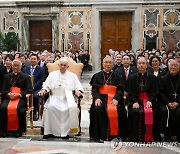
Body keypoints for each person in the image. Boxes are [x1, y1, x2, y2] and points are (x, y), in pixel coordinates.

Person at [38, 58, 83, 139]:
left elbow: (78, 87)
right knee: (50, 107)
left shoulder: (73, 76)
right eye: (61, 65)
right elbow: (46, 86)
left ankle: (68, 132)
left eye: (64, 65)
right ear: (58, 65)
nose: (62, 67)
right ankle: (49, 131)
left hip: (67, 98)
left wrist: (78, 91)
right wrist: (43, 90)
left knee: (72, 108)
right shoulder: (52, 75)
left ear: (67, 67)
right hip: (54, 97)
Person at [89, 56, 127, 142]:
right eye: (106, 62)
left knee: (120, 111)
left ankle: (116, 135)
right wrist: (97, 98)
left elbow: (120, 90)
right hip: (101, 99)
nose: (108, 64)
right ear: (103, 64)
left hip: (114, 99)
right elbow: (94, 89)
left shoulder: (117, 76)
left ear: (113, 64)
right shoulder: (96, 76)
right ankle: (98, 135)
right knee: (97, 109)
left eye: (110, 62)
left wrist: (117, 99)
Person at [127, 57, 159, 142]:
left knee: (152, 111)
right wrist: (135, 102)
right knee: (135, 112)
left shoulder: (152, 78)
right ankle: (135, 137)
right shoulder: (132, 78)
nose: (141, 65)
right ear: (136, 65)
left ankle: (149, 136)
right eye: (139, 63)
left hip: (149, 100)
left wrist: (150, 100)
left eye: (143, 63)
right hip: (136, 100)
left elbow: (155, 92)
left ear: (147, 65)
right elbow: (130, 93)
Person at [0, 59, 33, 137]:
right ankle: (4, 130)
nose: (15, 67)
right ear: (11, 67)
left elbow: (29, 90)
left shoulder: (26, 77)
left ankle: (18, 130)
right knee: (3, 108)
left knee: (19, 108)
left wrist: (19, 95)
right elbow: (3, 90)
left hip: (20, 98)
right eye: (14, 65)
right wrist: (8, 94)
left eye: (17, 66)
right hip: (9, 98)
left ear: (21, 67)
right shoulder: (7, 77)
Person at [159, 59, 180, 142]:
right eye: (171, 65)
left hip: (178, 102)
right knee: (164, 112)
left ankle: (178, 135)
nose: (173, 67)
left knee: (178, 112)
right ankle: (167, 135)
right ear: (168, 67)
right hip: (165, 102)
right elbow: (161, 93)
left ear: (179, 68)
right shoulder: (163, 78)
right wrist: (168, 103)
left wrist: (177, 102)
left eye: (175, 66)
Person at [22, 54, 44, 121]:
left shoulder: (41, 69)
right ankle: (23, 112)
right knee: (22, 96)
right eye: (31, 59)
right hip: (26, 88)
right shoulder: (25, 69)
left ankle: (34, 113)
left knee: (35, 97)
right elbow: (22, 78)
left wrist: (33, 87)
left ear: (37, 60)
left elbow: (41, 79)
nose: (33, 60)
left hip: (36, 89)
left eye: (34, 59)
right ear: (29, 59)